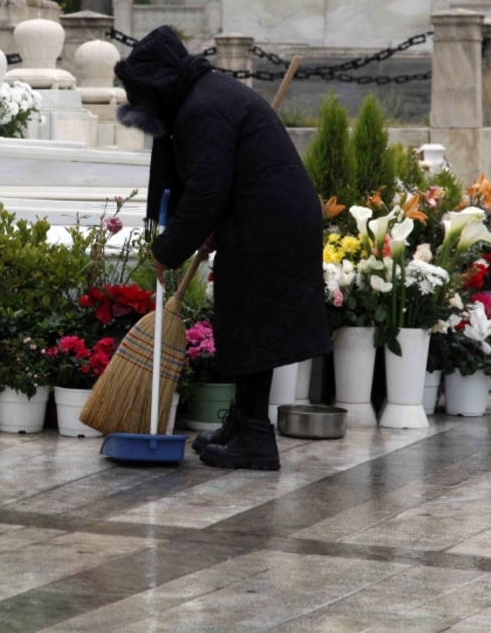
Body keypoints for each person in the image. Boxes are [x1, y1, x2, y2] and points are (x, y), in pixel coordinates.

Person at [115, 26, 331, 470]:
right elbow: (217, 185)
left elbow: (207, 191)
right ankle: (246, 424)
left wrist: (167, 248)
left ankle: (254, 437)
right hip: (267, 219)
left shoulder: (201, 109)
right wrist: (208, 226)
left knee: (253, 320)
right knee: (243, 318)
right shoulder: (205, 96)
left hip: (270, 224)